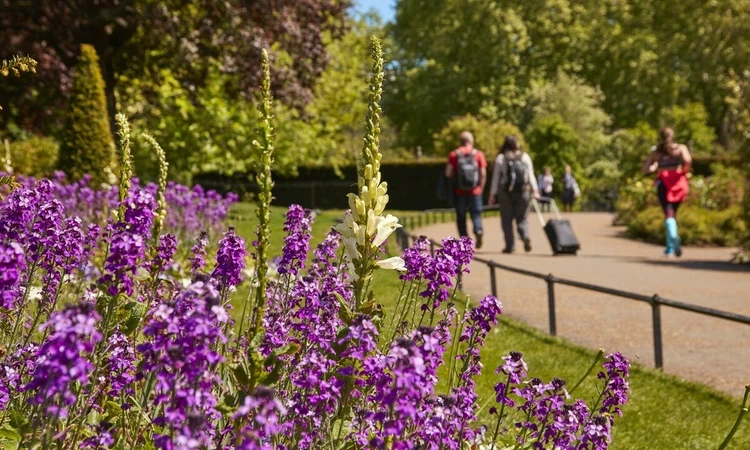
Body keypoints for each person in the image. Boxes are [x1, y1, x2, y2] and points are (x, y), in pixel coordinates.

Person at [642, 127, 692, 257]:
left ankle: (672, 240)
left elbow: (646, 169)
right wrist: (682, 171)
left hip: (664, 182)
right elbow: (688, 161)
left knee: (668, 213)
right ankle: (670, 246)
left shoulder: (656, 152)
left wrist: (656, 167)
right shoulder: (680, 148)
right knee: (672, 213)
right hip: (679, 182)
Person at [489, 136, 540, 253]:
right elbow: (530, 175)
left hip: (505, 193)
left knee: (506, 221)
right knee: (522, 218)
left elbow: (496, 178)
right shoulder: (524, 157)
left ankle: (510, 246)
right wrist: (535, 190)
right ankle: (525, 235)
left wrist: (492, 194)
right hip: (523, 191)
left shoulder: (501, 158)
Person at [445, 131, 487, 248]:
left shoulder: (454, 154)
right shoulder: (478, 154)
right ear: (470, 140)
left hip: (459, 192)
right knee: (476, 214)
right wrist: (481, 188)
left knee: (461, 217)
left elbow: (448, 173)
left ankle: (465, 242)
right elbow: (483, 174)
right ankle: (478, 230)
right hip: (475, 191)